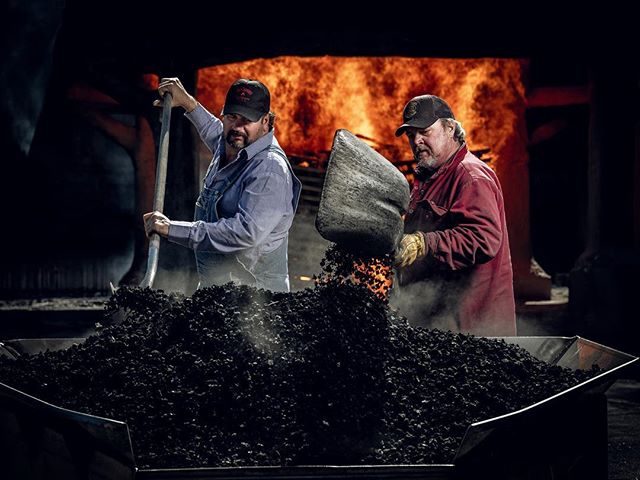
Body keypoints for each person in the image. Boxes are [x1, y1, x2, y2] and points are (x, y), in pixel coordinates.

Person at [143, 77, 301, 292]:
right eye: (232, 116)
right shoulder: (233, 145)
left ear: (265, 121)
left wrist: (171, 229)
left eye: (247, 120)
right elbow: (214, 131)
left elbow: (244, 232)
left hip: (256, 300)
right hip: (220, 290)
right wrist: (188, 103)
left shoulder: (269, 169)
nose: (237, 127)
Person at [392, 94, 516, 336]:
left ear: (450, 128)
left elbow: (483, 239)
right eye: (411, 134)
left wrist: (423, 243)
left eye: (424, 131)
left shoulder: (471, 177)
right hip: (437, 324)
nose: (416, 141)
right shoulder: (431, 176)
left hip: (472, 329)